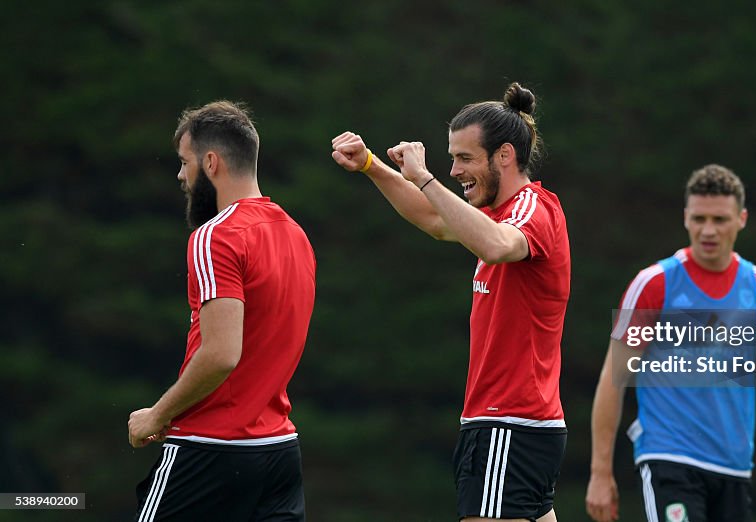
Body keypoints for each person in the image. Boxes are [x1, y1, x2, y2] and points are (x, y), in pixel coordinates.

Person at [330, 82, 570, 522]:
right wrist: (372, 167)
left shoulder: (531, 208)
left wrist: (424, 177)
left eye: (464, 158)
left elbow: (497, 245)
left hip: (507, 423)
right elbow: (439, 221)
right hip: (516, 424)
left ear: (504, 156)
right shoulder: (497, 214)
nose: (455, 170)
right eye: (451, 158)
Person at [128, 101, 316, 522]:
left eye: (184, 162)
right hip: (279, 453)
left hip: (210, 448)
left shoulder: (216, 235)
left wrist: (156, 415)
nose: (180, 175)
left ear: (211, 162)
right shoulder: (295, 234)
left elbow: (220, 354)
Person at [586, 165, 756, 522]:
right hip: (669, 457)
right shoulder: (654, 284)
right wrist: (600, 473)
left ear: (742, 219)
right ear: (685, 218)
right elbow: (613, 379)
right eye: (699, 218)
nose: (708, 230)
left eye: (720, 219)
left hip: (735, 466)